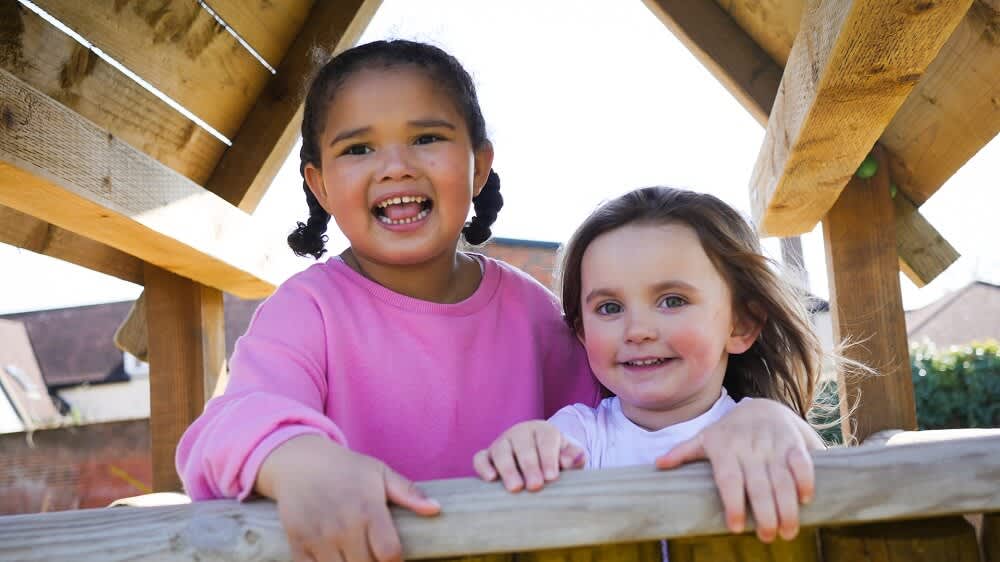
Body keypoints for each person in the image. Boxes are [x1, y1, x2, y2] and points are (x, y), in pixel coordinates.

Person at [177, 40, 821, 562]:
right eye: (359, 148)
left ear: (479, 166)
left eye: (426, 138)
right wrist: (302, 465)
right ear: (317, 185)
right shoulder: (306, 311)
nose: (396, 165)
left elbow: (642, 423)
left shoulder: (535, 316)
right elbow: (226, 429)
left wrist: (762, 421)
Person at [475, 187, 831, 544]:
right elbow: (538, 462)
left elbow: (825, 474)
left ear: (741, 325)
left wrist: (777, 421)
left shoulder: (761, 426)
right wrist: (525, 448)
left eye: (672, 301)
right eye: (610, 308)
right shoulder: (580, 436)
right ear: (582, 333)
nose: (638, 331)